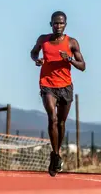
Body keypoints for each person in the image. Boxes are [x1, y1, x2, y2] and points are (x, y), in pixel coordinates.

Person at [30, 11, 86, 176]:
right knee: (52, 118)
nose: (58, 26)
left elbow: (83, 66)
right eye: (55, 23)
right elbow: (33, 52)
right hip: (47, 84)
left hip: (66, 86)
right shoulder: (43, 40)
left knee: (61, 123)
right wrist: (37, 60)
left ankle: (56, 154)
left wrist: (69, 59)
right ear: (51, 24)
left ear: (65, 25)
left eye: (61, 23)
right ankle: (55, 155)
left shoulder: (72, 43)